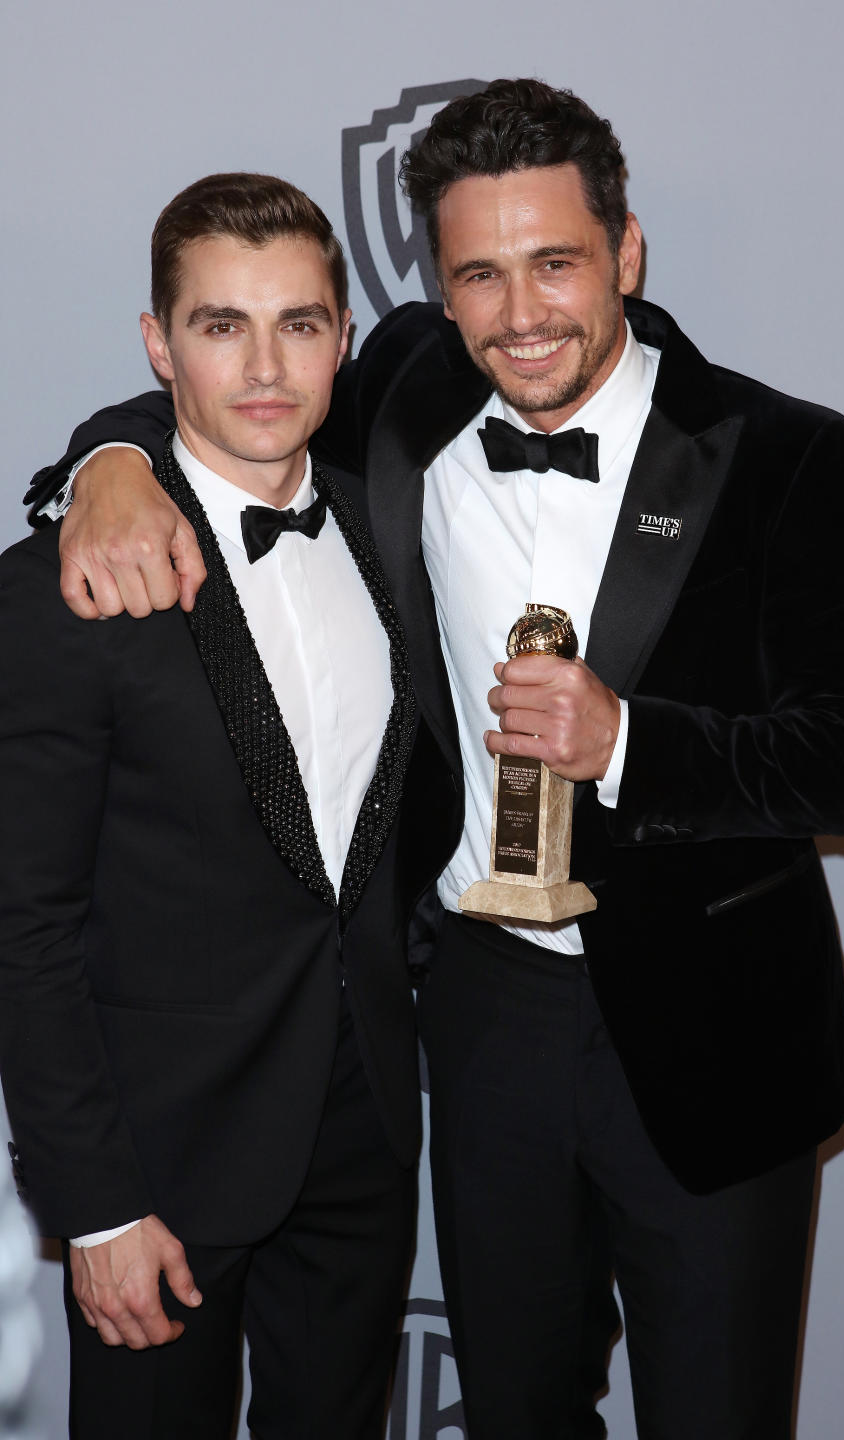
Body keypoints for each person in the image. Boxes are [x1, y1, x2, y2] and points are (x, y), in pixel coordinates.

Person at [25, 81, 844, 1440]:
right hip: (482, 1018)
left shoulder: (785, 454)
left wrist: (631, 743)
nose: (522, 314)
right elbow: (234, 394)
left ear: (625, 253)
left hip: (714, 1033)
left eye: (557, 262)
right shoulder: (397, 395)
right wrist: (106, 457)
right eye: (480, 275)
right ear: (436, 295)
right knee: (517, 1410)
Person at [0, 171, 446, 1440]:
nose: (264, 366)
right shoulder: (65, 585)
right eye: (219, 326)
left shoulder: (386, 524)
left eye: (299, 324)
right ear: (158, 345)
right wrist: (92, 1206)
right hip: (159, 1168)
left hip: (360, 1133)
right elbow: (23, 926)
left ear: (344, 340)